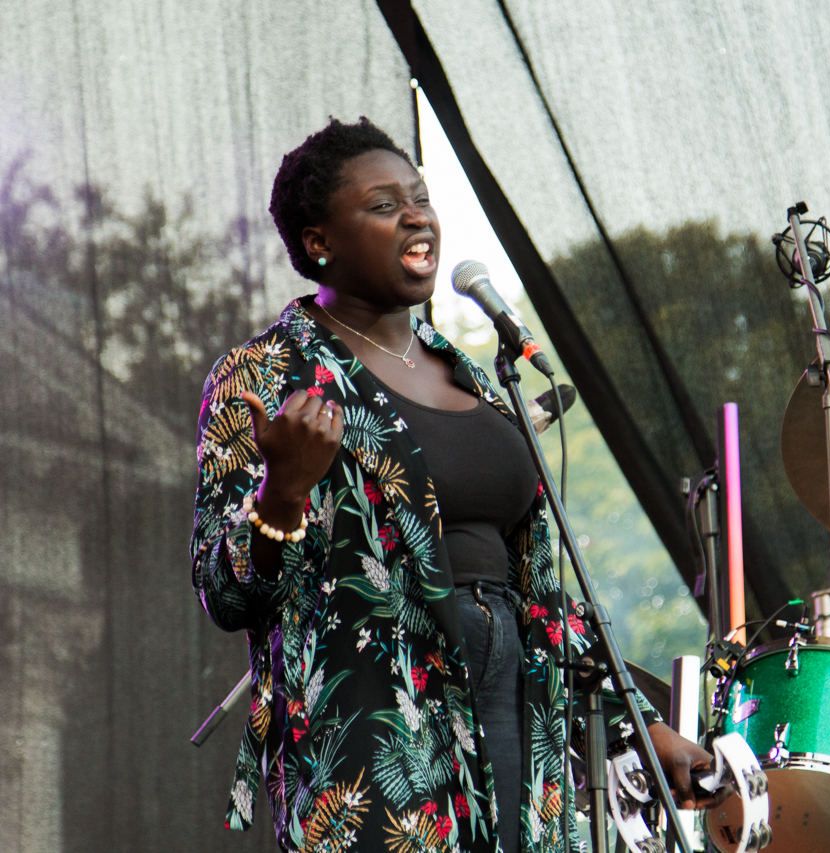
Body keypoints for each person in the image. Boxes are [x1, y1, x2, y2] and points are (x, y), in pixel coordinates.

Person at [191, 117, 716, 853]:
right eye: (384, 205)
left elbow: (535, 591)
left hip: (518, 726)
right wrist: (282, 492)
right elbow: (223, 590)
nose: (417, 217)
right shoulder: (267, 373)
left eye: (421, 198)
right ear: (319, 241)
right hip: (376, 740)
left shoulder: (471, 377)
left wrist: (641, 726)